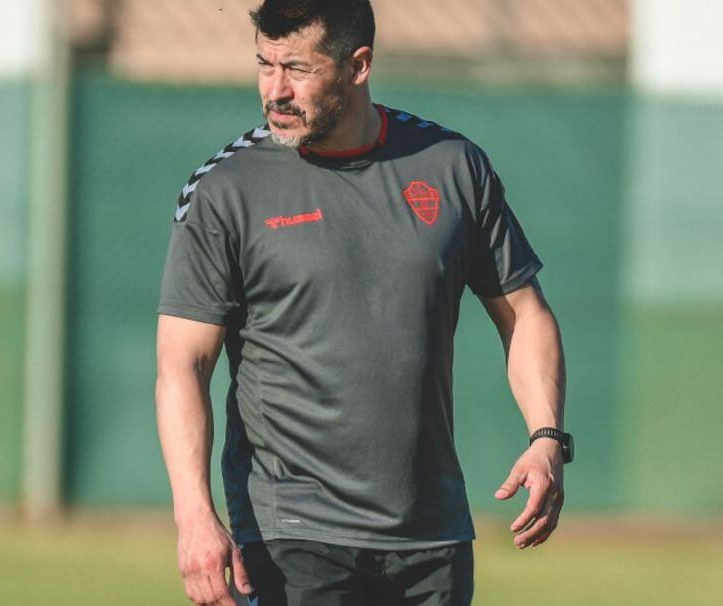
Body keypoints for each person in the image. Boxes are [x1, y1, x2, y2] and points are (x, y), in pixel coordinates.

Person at [155, 1, 570, 604]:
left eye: (297, 68)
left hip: (432, 537)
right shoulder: (225, 190)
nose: (275, 90)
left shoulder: (453, 167)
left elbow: (524, 313)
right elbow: (181, 364)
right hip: (290, 535)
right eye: (264, 65)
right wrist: (193, 515)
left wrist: (547, 436)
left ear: (358, 66)